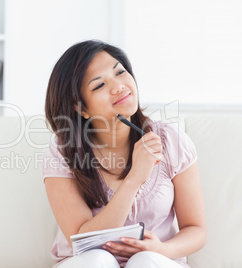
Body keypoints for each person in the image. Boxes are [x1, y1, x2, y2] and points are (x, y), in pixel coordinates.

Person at [42, 40, 206, 268]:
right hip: (87, 262)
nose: (119, 86)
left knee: (144, 261)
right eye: (99, 85)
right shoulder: (62, 151)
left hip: (156, 261)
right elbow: (83, 243)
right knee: (98, 261)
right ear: (81, 108)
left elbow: (196, 230)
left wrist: (161, 249)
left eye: (120, 72)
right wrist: (134, 179)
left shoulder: (170, 140)